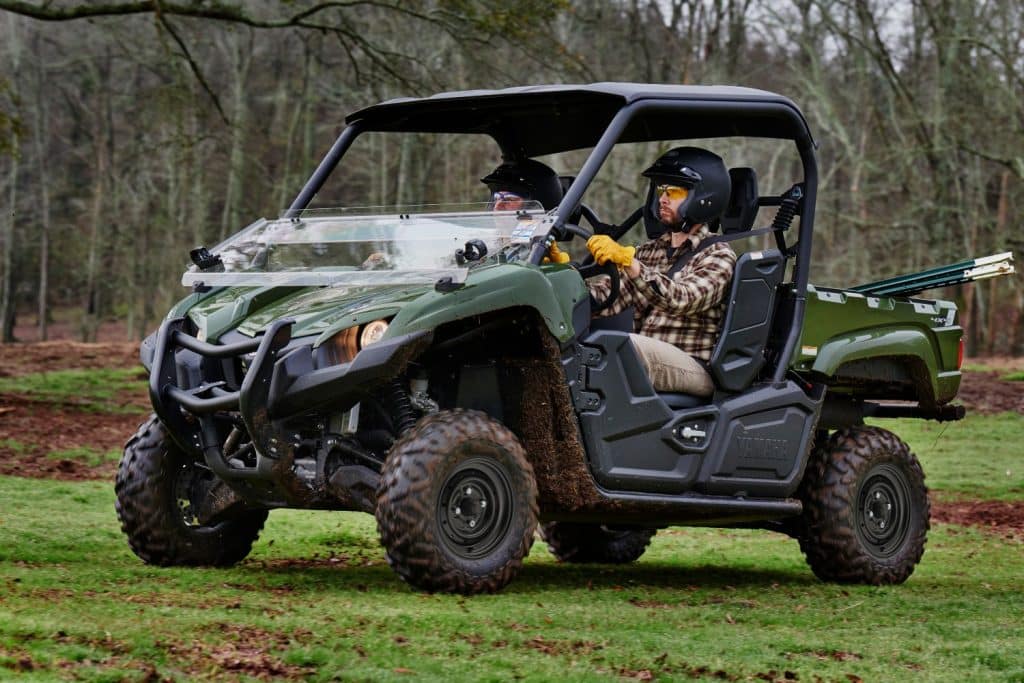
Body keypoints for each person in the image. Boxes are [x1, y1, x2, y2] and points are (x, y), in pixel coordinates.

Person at [571, 146, 737, 396]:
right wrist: (564, 279)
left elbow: (681, 299)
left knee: (624, 348)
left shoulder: (719, 255)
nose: (663, 198)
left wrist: (629, 263)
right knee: (577, 346)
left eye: (675, 191)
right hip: (651, 355)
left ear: (704, 198)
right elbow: (608, 299)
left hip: (694, 365)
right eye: (661, 190)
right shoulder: (649, 251)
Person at [481, 158, 563, 212]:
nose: (496, 207)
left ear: (534, 207)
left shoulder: (548, 239)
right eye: (496, 199)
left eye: (509, 199)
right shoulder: (487, 237)